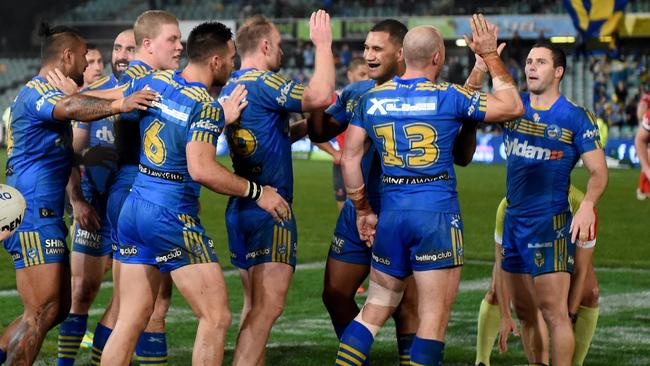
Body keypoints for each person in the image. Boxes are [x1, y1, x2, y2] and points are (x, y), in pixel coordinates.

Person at [335, 15, 524, 366]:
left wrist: (362, 209)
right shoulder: (448, 97)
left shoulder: (371, 99)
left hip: (391, 216)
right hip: (436, 216)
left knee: (373, 310)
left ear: (403, 56)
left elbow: (349, 158)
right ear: (438, 58)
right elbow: (513, 106)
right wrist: (490, 57)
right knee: (432, 322)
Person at [101, 20, 291, 366]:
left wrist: (69, 100)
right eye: (231, 59)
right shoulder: (203, 104)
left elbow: (111, 98)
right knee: (216, 317)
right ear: (216, 62)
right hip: (170, 215)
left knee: (130, 320)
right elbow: (201, 169)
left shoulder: (159, 80)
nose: (234, 66)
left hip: (135, 208)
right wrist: (257, 191)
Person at [0, 23, 155, 365]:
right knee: (40, 312)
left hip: (44, 212)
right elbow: (72, 107)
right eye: (84, 56)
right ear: (67, 55)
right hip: (31, 212)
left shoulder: (48, 94)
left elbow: (44, 150)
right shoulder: (37, 91)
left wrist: (83, 157)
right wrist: (121, 104)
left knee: (56, 310)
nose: (87, 63)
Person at [219, 11, 335, 366]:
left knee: (253, 307)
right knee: (269, 308)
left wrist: (298, 129)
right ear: (265, 45)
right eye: (280, 46)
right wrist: (323, 45)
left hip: (240, 207)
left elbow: (272, 133)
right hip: (271, 207)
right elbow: (320, 94)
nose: (283, 53)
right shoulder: (265, 82)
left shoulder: (231, 84)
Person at [494, 41, 607, 366]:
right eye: (529, 61)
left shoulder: (575, 117)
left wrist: (587, 204)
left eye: (540, 62)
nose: (531, 66)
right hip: (514, 221)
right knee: (526, 312)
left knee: (554, 313)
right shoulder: (512, 107)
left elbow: (599, 172)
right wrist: (485, 61)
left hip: (551, 223)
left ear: (558, 72)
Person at [56, 29, 136, 366]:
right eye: (116, 47)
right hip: (94, 206)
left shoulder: (154, 94)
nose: (120, 55)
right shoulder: (93, 95)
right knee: (81, 293)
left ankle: (101, 360)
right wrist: (77, 202)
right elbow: (69, 154)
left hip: (132, 211)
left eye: (128, 48)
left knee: (126, 300)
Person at [474, 185, 600, 366]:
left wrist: (570, 315)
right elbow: (502, 264)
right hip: (526, 254)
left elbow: (581, 270)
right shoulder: (508, 206)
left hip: (564, 255)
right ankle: (482, 361)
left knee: (591, 293)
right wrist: (505, 315)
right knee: (502, 293)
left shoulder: (582, 208)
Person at [314, 56, 369, 212]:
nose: (367, 79)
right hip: (343, 165)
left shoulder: (374, 97)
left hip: (367, 164)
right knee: (345, 214)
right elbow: (315, 133)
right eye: (362, 74)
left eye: (368, 75)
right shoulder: (337, 100)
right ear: (350, 74)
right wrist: (334, 153)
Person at [636, 84, 650, 200]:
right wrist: (643, 122)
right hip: (646, 133)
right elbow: (641, 112)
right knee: (646, 163)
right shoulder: (646, 99)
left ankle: (645, 189)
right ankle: (641, 189)